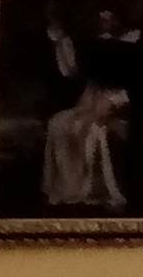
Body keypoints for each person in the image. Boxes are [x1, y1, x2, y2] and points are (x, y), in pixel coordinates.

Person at [42, 80, 130, 210]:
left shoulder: (100, 128)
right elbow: (50, 162)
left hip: (85, 197)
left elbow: (106, 169)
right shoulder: (60, 122)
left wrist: (116, 197)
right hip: (63, 197)